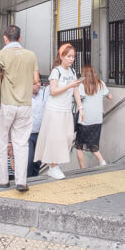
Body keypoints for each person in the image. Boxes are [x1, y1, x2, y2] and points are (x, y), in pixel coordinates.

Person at [0, 25, 40, 192]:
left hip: (5, 104)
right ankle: (21, 181)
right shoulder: (31, 55)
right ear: (20, 38)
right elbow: (36, 80)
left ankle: (2, 180)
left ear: (5, 38)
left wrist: (3, 79)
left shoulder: (0, 55)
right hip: (25, 105)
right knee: (22, 144)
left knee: (1, 142)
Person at [34, 43, 82, 180]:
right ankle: (53, 167)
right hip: (54, 110)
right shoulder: (56, 71)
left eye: (73, 56)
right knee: (56, 139)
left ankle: (56, 165)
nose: (71, 59)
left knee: (68, 138)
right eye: (68, 56)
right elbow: (53, 91)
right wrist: (70, 85)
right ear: (61, 56)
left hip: (66, 110)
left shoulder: (72, 71)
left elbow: (76, 91)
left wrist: (81, 108)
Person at [75, 65, 112, 169]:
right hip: (97, 119)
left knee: (79, 146)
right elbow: (110, 96)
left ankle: (83, 168)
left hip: (84, 119)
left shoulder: (82, 85)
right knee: (93, 144)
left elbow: (78, 98)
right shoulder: (101, 83)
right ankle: (102, 161)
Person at [27, 81, 49, 178]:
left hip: (40, 133)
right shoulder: (24, 96)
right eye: (35, 83)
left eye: (39, 82)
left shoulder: (43, 94)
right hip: (28, 134)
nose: (39, 85)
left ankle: (35, 180)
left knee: (38, 161)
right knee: (29, 160)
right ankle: (26, 181)